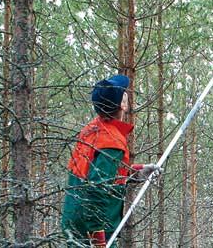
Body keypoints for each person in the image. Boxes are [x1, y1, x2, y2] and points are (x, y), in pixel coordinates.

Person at [61, 74, 161, 247]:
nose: (127, 94)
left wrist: (137, 172)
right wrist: (98, 240)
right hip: (95, 228)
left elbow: (100, 173)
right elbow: (96, 190)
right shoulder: (111, 141)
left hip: (75, 222)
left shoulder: (92, 129)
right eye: (124, 92)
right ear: (121, 104)